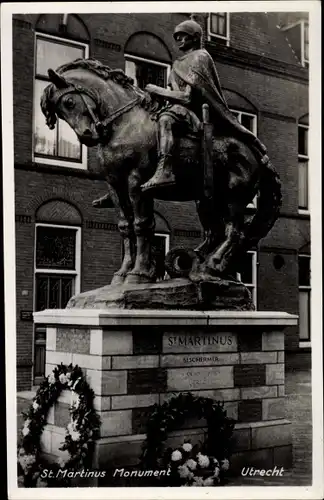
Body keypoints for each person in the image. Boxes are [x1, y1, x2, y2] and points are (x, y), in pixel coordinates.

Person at [141, 19, 268, 193]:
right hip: (177, 110)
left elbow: (187, 97)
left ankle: (166, 171)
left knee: (165, 120)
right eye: (176, 36)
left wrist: (157, 90)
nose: (178, 39)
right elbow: (173, 94)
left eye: (182, 36)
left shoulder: (200, 57)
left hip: (193, 113)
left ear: (194, 38)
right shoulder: (177, 64)